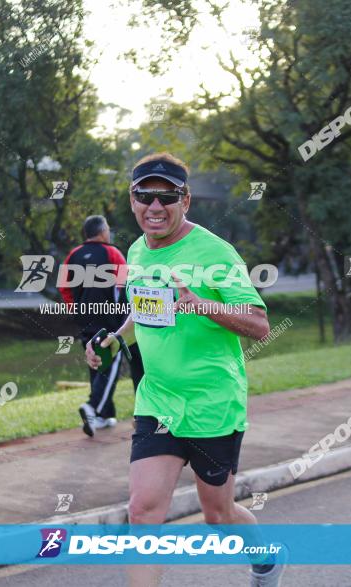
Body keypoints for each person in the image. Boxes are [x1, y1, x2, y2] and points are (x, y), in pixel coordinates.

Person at [85, 153, 286, 586]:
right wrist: (116, 337)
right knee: (143, 512)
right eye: (145, 196)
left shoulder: (215, 252)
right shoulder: (137, 251)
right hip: (158, 401)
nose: (155, 207)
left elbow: (260, 324)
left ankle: (267, 560)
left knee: (218, 516)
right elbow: (144, 313)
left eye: (167, 196)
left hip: (212, 403)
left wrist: (202, 304)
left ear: (186, 200)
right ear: (132, 199)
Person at [60, 215, 144, 437]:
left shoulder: (73, 255)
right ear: (102, 232)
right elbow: (125, 286)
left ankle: (105, 415)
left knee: (95, 363)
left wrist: (76, 309)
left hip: (85, 320)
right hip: (110, 323)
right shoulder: (112, 253)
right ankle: (94, 408)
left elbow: (64, 287)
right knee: (112, 364)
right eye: (108, 229)